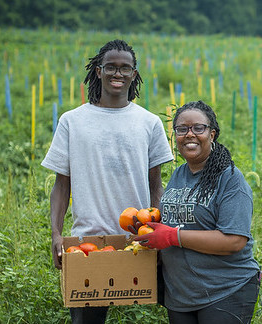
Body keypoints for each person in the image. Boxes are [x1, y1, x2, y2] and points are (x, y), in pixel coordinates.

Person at [42, 39, 174, 324]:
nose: (118, 74)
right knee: (86, 320)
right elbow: (61, 185)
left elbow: (156, 184)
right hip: (87, 242)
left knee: (172, 309)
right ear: (98, 71)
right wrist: (55, 233)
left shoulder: (148, 122)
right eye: (111, 67)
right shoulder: (72, 121)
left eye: (125, 68)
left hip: (139, 239)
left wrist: (158, 230)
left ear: (135, 74)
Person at [132, 100, 260, 324]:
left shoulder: (229, 178)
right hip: (181, 295)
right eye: (182, 129)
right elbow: (177, 221)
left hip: (224, 290)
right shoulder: (179, 174)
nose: (189, 134)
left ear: (212, 134)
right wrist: (149, 229)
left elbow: (234, 240)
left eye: (198, 128)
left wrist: (172, 236)